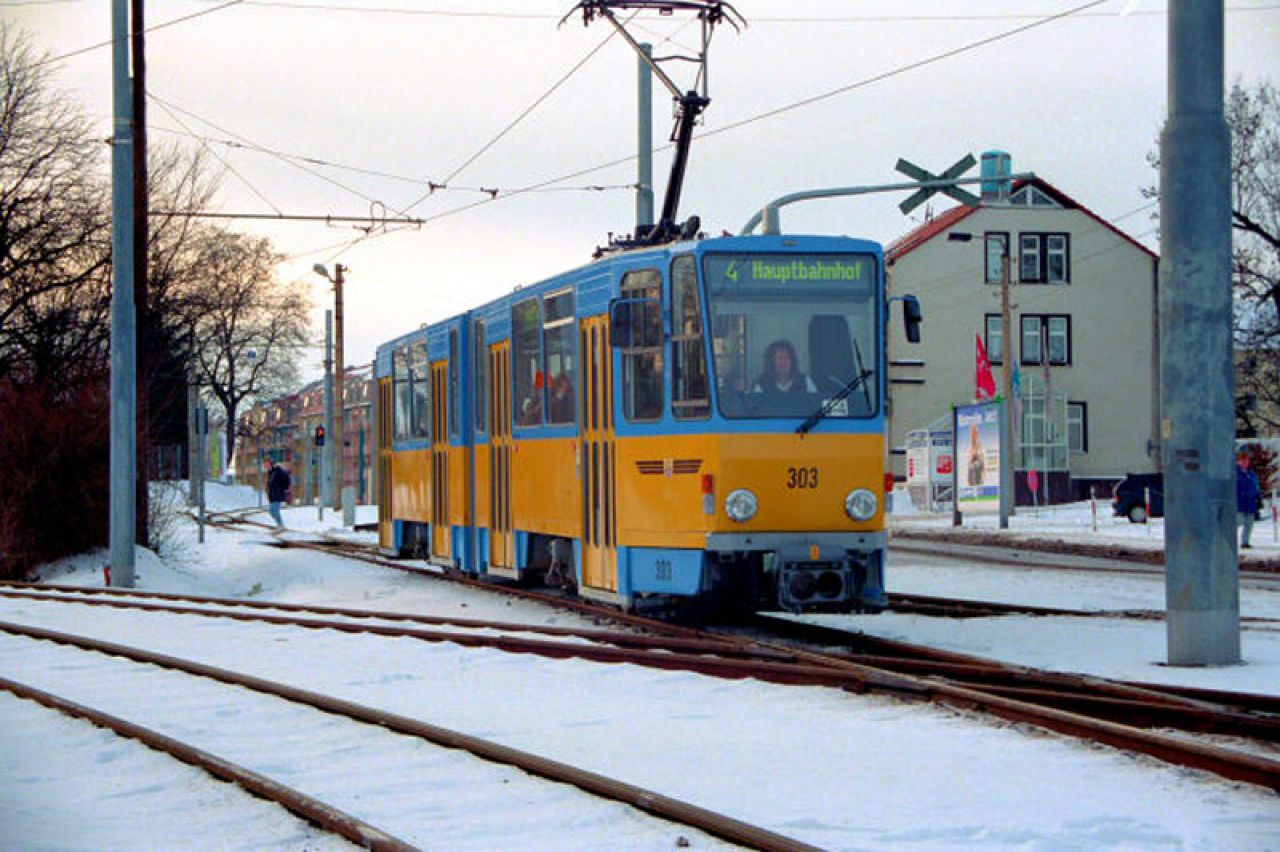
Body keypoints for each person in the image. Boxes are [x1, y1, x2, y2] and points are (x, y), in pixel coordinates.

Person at [751, 339, 817, 395]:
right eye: (779, 358)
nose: (783, 362)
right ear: (771, 361)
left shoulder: (805, 382)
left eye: (786, 358)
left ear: (792, 360)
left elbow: (817, 405)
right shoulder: (761, 385)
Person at [1237, 451, 1262, 549]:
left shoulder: (1252, 474)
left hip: (1251, 503)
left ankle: (1245, 542)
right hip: (1239, 503)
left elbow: (1256, 486)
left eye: (1246, 460)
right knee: (1238, 521)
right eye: (1242, 460)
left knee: (1249, 523)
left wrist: (1258, 498)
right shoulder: (1235, 473)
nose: (1245, 462)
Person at [267, 460, 291, 529]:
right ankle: (279, 524)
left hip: (277, 494)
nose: (266, 467)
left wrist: (285, 488)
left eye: (267, 465)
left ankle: (281, 525)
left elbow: (286, 478)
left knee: (275, 511)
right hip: (272, 495)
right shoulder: (271, 473)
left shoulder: (278, 472)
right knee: (271, 511)